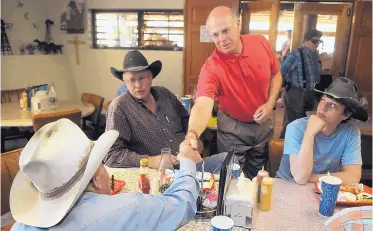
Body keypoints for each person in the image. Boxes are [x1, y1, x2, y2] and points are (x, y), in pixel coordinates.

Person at [8, 118, 202, 231]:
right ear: (96, 180)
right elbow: (182, 203)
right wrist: (187, 161)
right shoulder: (131, 209)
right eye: (101, 164)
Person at [183, 6, 282, 179]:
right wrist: (192, 133)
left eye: (225, 31)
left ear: (238, 23)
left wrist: (270, 103)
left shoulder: (260, 42)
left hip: (263, 123)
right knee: (231, 178)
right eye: (215, 35)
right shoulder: (211, 67)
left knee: (257, 175)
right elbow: (203, 103)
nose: (222, 40)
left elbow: (276, 75)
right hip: (232, 127)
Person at [105, 50, 227, 173]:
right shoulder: (119, 107)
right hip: (158, 174)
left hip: (189, 164)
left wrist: (195, 142)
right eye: (131, 80)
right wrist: (154, 161)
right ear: (124, 82)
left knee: (228, 161)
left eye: (142, 78)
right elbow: (112, 156)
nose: (137, 85)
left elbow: (186, 121)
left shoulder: (164, 94)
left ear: (151, 77)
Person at [277, 77, 368, 185]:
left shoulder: (350, 132)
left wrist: (311, 178)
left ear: (345, 114)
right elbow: (300, 178)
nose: (323, 108)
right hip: (288, 185)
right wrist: (309, 133)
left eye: (332, 105)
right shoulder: (296, 127)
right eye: (322, 101)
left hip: (322, 188)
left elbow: (353, 177)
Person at [280, 29, 323, 138]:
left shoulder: (316, 55)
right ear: (306, 40)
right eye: (315, 41)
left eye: (319, 41)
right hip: (296, 93)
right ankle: (282, 148)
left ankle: (295, 147)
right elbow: (282, 71)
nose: (317, 44)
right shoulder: (296, 54)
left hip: (311, 93)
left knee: (304, 122)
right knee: (294, 123)